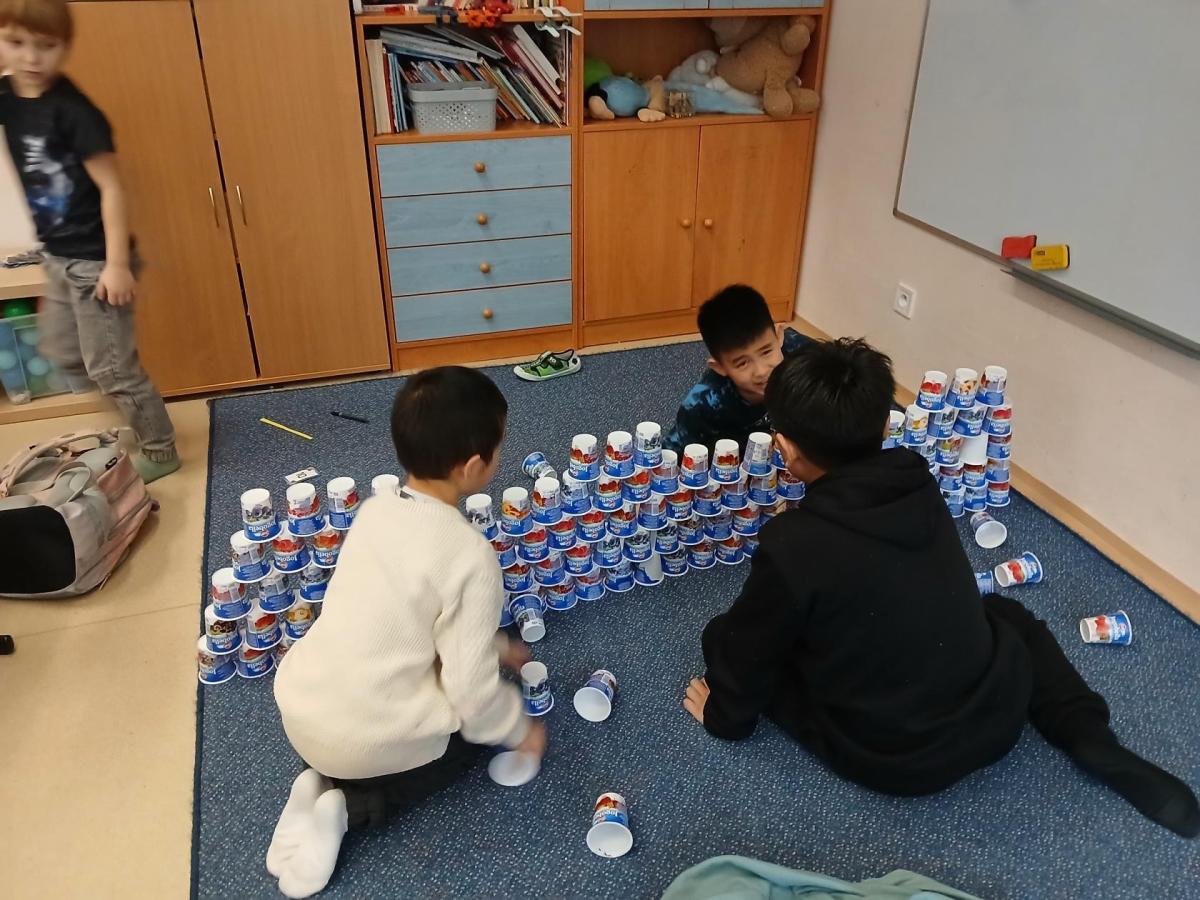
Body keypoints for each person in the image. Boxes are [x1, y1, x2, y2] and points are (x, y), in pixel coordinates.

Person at [683, 338, 1199, 838]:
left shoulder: (792, 543)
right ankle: (1090, 737)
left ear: (786, 449)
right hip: (996, 711)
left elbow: (751, 650)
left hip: (899, 759)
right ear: (883, 425)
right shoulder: (915, 476)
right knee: (1005, 613)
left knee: (726, 636)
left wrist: (724, 718)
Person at [270, 366, 546, 899]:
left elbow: (396, 614)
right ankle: (350, 807)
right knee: (465, 742)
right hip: (364, 742)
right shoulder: (471, 556)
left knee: (373, 705)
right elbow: (472, 695)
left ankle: (315, 779)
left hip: (301, 710)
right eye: (499, 448)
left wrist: (493, 645)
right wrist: (520, 730)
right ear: (473, 467)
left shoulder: (373, 512)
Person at [0, 0, 178, 481]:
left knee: (113, 370)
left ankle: (160, 448)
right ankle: (136, 415)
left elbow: (112, 188)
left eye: (45, 46)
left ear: (65, 48)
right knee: (62, 353)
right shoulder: (8, 93)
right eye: (16, 43)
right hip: (56, 255)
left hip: (96, 262)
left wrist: (116, 265)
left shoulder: (74, 112)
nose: (31, 58)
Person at [663, 284, 811, 455]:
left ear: (779, 336)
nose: (761, 371)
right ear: (719, 367)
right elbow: (669, 456)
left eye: (766, 352)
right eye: (742, 363)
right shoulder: (702, 405)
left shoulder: (806, 356)